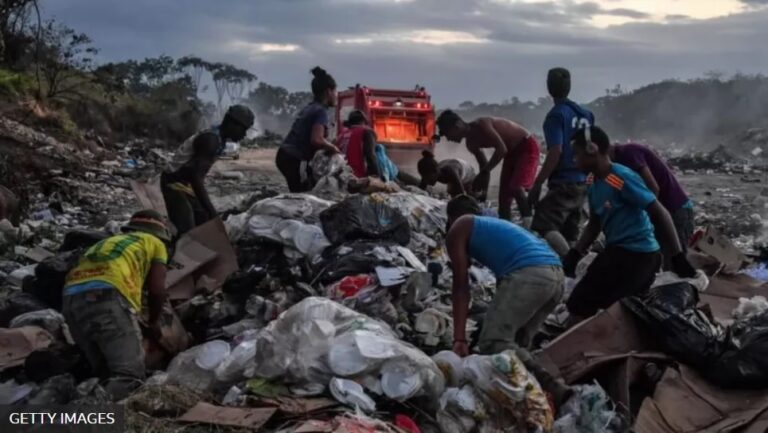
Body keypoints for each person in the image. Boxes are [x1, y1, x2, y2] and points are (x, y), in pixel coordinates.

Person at [445, 195, 570, 402]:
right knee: (516, 343)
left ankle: (553, 386)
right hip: (556, 278)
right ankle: (530, 398)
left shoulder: (459, 226)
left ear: (451, 218)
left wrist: (459, 338)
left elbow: (460, 287)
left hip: (531, 274)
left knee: (493, 342)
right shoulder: (493, 225)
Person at [563, 126, 697, 320]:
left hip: (640, 256)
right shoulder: (593, 181)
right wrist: (576, 253)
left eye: (576, 154)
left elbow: (661, 212)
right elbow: (594, 222)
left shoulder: (620, 178)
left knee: (615, 311)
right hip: (618, 251)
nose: (574, 160)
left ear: (592, 149)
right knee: (579, 304)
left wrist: (677, 256)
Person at [62, 210, 171, 400]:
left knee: (104, 371)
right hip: (107, 295)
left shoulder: (106, 242)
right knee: (130, 376)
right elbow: (157, 291)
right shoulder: (155, 243)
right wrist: (153, 321)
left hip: (71, 298)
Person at [529, 68, 594, 255]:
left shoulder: (556, 115)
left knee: (543, 223)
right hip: (583, 180)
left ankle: (570, 263)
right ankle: (573, 273)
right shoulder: (586, 115)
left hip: (564, 180)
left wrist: (538, 183)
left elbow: (555, 151)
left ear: (549, 88)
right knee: (570, 231)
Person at [162, 105, 254, 235]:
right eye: (243, 129)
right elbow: (196, 178)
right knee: (187, 230)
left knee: (203, 220)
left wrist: (208, 212)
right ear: (231, 123)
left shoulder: (218, 138)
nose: (244, 134)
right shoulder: (211, 141)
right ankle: (177, 251)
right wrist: (212, 212)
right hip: (173, 183)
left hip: (186, 184)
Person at [436, 110, 540, 225]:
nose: (449, 139)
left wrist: (484, 172)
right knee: (504, 200)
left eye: (447, 133)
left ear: (457, 125)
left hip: (526, 146)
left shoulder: (481, 124)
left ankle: (529, 224)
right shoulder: (471, 144)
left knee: (516, 187)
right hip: (511, 154)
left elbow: (501, 149)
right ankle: (505, 229)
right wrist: (483, 193)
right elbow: (483, 165)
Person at [610, 142, 694, 269]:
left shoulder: (629, 153)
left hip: (675, 209)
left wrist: (644, 216)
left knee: (673, 264)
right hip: (662, 212)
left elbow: (653, 188)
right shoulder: (615, 166)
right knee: (659, 260)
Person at [277, 66, 339, 192]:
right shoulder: (321, 111)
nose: (336, 95)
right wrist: (333, 149)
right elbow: (316, 140)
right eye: (335, 91)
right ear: (328, 92)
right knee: (303, 195)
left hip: (285, 155)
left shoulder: (310, 107)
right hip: (294, 158)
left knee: (300, 191)